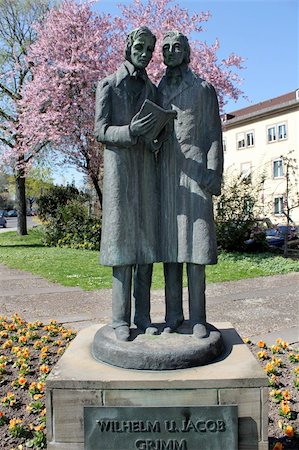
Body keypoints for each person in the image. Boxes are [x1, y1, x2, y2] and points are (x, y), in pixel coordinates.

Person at [158, 31, 224, 338]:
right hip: (166, 174)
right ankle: (173, 314)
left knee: (196, 248)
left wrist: (214, 173)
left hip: (197, 173)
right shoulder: (157, 89)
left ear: (187, 54)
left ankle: (198, 315)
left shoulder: (202, 88)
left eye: (177, 48)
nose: (171, 52)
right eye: (166, 48)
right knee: (171, 247)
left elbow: (213, 134)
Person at [94, 27, 159, 341]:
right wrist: (130, 131)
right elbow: (101, 130)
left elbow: (159, 130)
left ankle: (144, 317)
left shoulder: (152, 89)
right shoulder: (108, 85)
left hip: (146, 170)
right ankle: (120, 320)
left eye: (149, 49)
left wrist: (157, 138)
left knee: (146, 247)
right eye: (140, 47)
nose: (145, 53)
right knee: (122, 247)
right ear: (128, 46)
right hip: (120, 171)